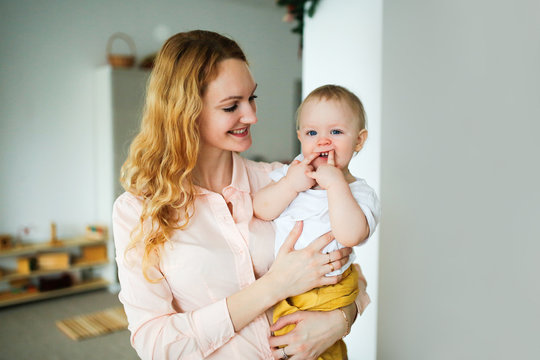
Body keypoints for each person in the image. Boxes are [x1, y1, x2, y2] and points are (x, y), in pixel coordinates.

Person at [112, 30, 370, 360]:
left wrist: (339, 320)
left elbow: (349, 269)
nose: (251, 116)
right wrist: (275, 286)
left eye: (252, 99)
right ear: (185, 113)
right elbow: (155, 344)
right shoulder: (137, 211)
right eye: (231, 106)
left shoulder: (283, 180)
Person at [253, 85, 381, 359]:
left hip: (330, 289)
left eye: (335, 132)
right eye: (312, 133)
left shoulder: (359, 192)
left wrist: (336, 185)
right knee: (287, 344)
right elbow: (261, 209)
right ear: (300, 137)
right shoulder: (294, 174)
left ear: (359, 141)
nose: (323, 141)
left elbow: (351, 235)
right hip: (287, 290)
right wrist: (290, 184)